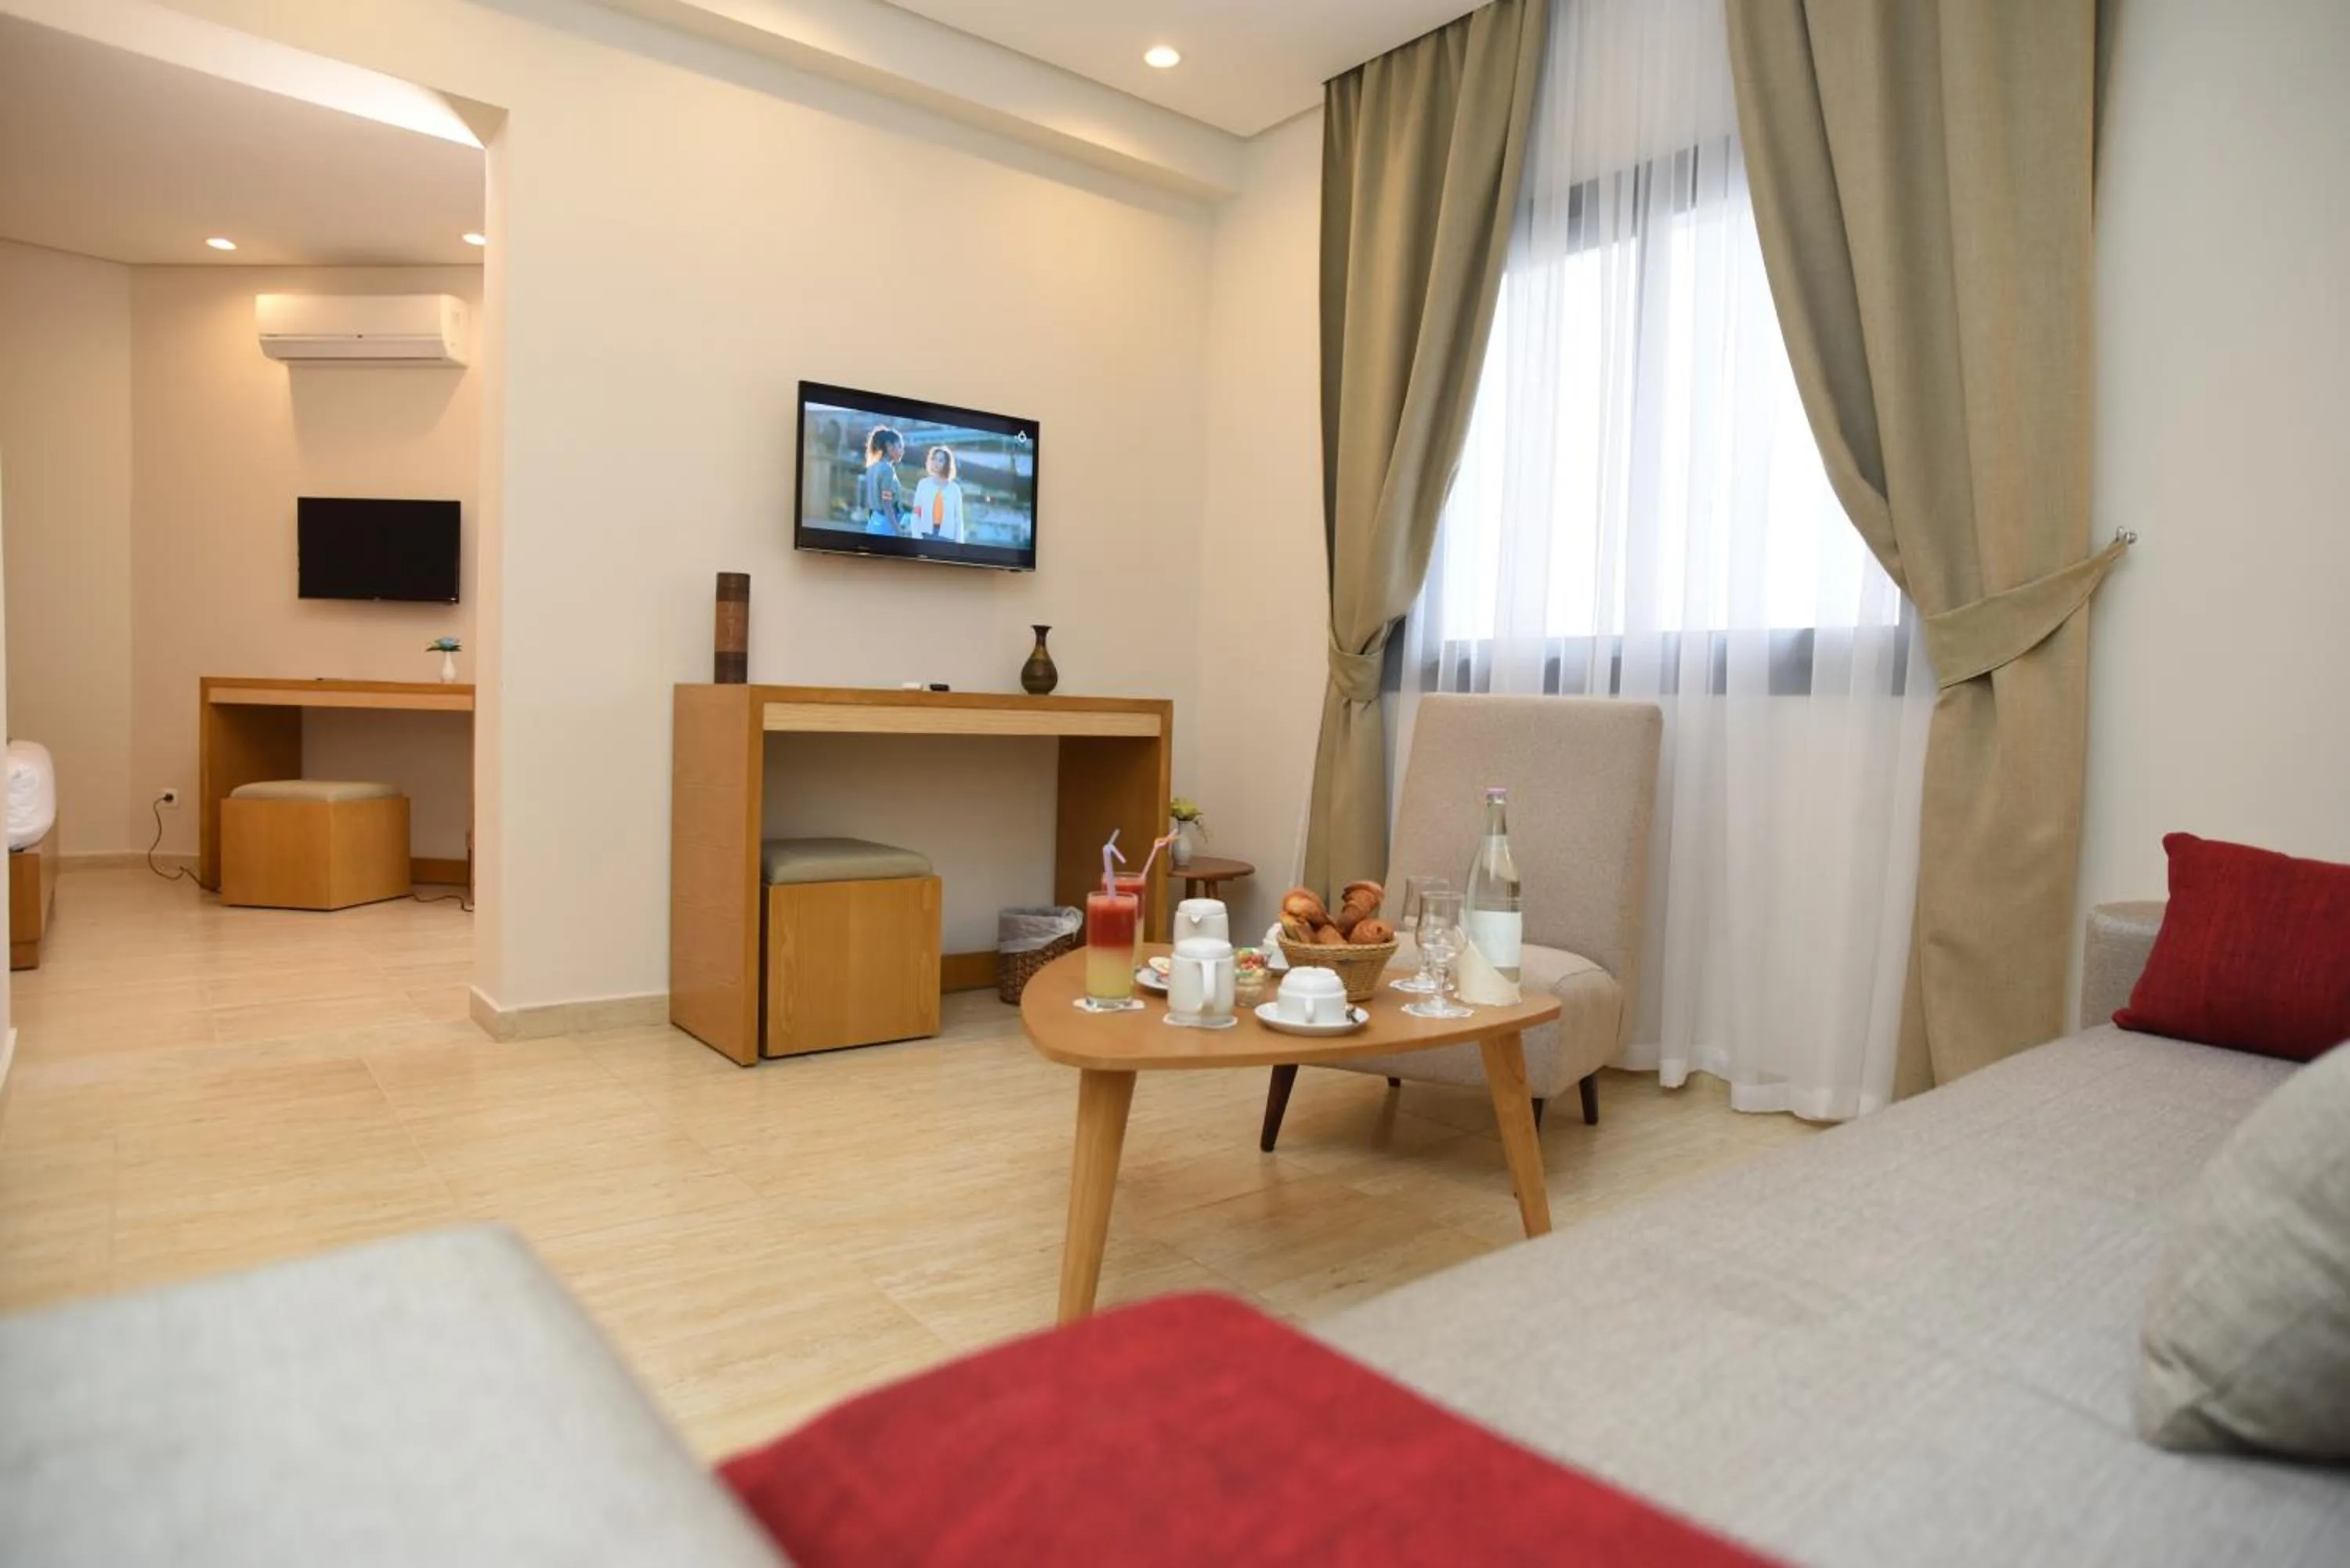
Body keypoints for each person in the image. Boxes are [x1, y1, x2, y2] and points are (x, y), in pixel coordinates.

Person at [911, 446, 966, 544]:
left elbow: (958, 519)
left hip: (947, 538)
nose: (936, 463)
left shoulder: (954, 489)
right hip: (925, 535)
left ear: (947, 464)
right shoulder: (923, 484)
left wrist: (960, 544)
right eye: (934, 459)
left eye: (941, 460)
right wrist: (916, 535)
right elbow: (916, 512)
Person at [858, 427, 906, 535]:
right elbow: (886, 503)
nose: (902, 451)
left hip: (873, 522)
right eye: (899, 447)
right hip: (886, 525)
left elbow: (869, 501)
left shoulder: (872, 467)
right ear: (889, 446)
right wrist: (898, 530)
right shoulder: (887, 469)